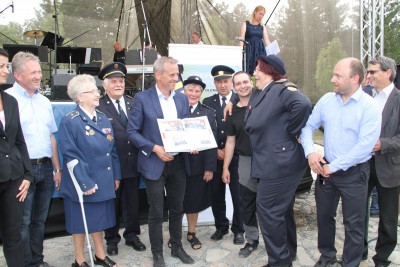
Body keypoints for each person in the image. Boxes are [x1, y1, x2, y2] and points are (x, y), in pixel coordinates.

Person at [301, 57, 381, 267]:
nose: (332, 79)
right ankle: (326, 256)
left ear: (355, 78)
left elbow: (364, 147)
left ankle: (350, 263)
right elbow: (308, 127)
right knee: (324, 217)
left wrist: (332, 167)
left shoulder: (369, 107)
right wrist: (310, 153)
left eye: (338, 75)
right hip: (326, 170)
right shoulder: (327, 100)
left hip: (354, 173)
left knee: (353, 223)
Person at [127, 57, 194, 267]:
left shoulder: (182, 99)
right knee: (156, 211)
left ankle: (177, 246)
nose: (177, 78)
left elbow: (186, 128)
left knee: (177, 208)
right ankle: (157, 254)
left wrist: (191, 142)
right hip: (154, 163)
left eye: (177, 74)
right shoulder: (142, 98)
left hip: (178, 163)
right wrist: (154, 148)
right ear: (158, 75)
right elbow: (132, 132)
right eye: (172, 74)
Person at [244, 55, 311, 267]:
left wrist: (291, 132)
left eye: (258, 69)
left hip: (280, 163)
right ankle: (287, 254)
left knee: (268, 212)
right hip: (269, 162)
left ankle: (279, 262)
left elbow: (303, 104)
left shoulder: (282, 89)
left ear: (270, 71)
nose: (254, 72)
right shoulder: (261, 92)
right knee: (281, 211)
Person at [58, 74, 121, 267]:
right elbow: (70, 155)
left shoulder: (102, 118)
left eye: (96, 90)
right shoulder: (71, 121)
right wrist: (85, 182)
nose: (97, 94)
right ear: (80, 97)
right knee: (79, 222)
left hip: (102, 179)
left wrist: (116, 175)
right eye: (92, 91)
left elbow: (112, 150)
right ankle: (79, 259)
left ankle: (100, 255)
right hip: (82, 182)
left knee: (99, 221)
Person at [6, 51, 62, 267]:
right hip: (22, 170)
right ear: (18, 75)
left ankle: (38, 261)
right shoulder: (8, 100)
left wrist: (57, 168)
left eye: (39, 71)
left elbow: (51, 137)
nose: (39, 76)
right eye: (33, 72)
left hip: (46, 168)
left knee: (40, 220)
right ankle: (25, 263)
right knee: (24, 222)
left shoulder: (45, 101)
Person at [97, 62, 146, 256]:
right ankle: (111, 239)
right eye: (114, 81)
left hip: (133, 162)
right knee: (112, 204)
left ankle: (132, 235)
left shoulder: (133, 103)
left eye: (121, 81)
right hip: (111, 166)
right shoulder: (99, 105)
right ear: (105, 85)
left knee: (132, 202)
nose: (118, 84)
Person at [363, 56, 400, 267]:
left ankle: (382, 258)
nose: (368, 76)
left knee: (387, 219)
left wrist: (382, 144)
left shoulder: (399, 98)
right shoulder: (365, 97)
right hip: (363, 165)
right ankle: (358, 251)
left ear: (388, 73)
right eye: (368, 72)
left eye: (372, 71)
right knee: (357, 212)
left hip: (389, 167)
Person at [202, 65, 244, 244]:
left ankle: (239, 229)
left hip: (236, 157)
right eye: (219, 82)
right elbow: (204, 129)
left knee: (238, 195)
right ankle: (221, 227)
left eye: (226, 81)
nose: (222, 85)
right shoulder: (207, 102)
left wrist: (227, 150)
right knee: (216, 195)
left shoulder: (240, 100)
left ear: (231, 83)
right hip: (215, 157)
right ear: (214, 83)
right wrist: (214, 150)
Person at [0, 48, 32, 267]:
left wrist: (28, 173)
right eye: (1, 66)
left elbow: (19, 140)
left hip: (14, 179)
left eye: (6, 66)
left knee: (13, 236)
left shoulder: (10, 101)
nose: (5, 71)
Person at [222, 71, 259, 258]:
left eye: (246, 82)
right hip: (244, 161)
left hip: (267, 160)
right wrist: (226, 167)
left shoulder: (262, 100)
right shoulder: (231, 111)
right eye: (238, 84)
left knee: (269, 205)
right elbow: (230, 141)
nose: (243, 86)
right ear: (234, 87)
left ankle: (274, 240)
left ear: (251, 82)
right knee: (248, 204)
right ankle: (251, 240)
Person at [182, 75, 217, 250]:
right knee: (175, 202)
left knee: (194, 200)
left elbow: (211, 143)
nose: (194, 94)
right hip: (177, 164)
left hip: (197, 165)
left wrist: (209, 168)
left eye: (197, 91)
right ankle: (174, 235)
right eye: (190, 90)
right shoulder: (174, 109)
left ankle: (192, 233)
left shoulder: (208, 113)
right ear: (184, 90)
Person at [239, 5, 271, 75]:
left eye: (263, 15)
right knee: (247, 68)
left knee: (261, 69)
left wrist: (272, 51)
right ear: (255, 12)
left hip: (260, 50)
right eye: (260, 14)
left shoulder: (262, 26)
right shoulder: (246, 23)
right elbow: (242, 38)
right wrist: (240, 51)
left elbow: (266, 40)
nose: (261, 16)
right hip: (248, 49)